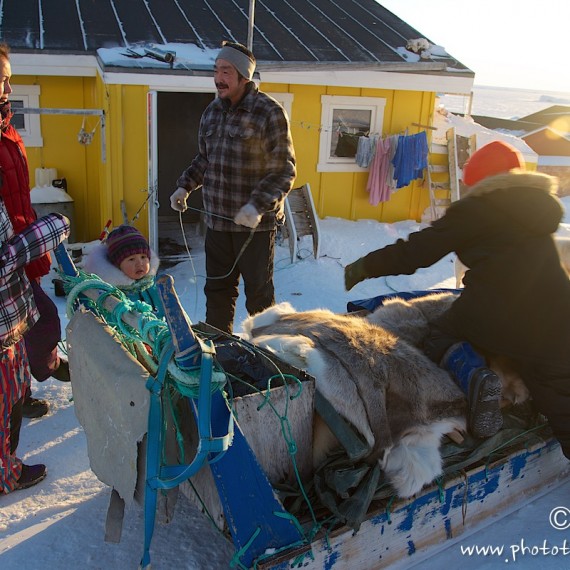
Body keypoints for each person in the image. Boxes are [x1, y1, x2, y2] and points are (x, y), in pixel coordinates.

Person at [344, 140, 570, 456]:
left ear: (479, 180)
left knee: (437, 335)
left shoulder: (479, 208)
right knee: (558, 395)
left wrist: (365, 266)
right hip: (558, 318)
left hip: (494, 310)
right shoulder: (538, 207)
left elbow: (417, 251)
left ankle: (478, 377)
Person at [170, 40, 296, 334]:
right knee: (217, 291)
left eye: (226, 71)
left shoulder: (269, 112)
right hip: (217, 223)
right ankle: (220, 347)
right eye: (216, 70)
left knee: (260, 300)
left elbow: (284, 170)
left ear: (244, 76)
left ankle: (266, 352)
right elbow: (205, 159)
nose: (218, 78)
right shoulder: (212, 113)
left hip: (255, 229)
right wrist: (184, 187)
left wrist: (257, 206)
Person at [0, 43, 69, 420]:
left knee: (25, 326)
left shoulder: (8, 128)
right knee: (40, 321)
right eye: (2, 80)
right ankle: (48, 366)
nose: (8, 89)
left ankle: (21, 392)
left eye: (9, 80)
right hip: (7, 253)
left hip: (22, 243)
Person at [0, 203, 70, 493]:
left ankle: (9, 461)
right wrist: (57, 223)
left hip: (12, 325)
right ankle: (6, 475)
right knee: (4, 406)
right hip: (3, 330)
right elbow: (12, 253)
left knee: (14, 394)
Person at [83, 225, 163, 318]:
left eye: (143, 257)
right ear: (117, 265)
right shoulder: (113, 293)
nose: (139, 263)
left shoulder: (153, 284)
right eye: (131, 259)